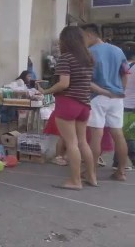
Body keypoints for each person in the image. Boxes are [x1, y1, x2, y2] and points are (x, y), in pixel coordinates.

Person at [38, 26, 97, 190]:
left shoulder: (66, 58)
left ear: (66, 40)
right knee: (83, 141)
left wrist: (46, 91)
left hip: (68, 103)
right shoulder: (88, 58)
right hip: (84, 104)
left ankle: (75, 181)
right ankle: (91, 177)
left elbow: (64, 83)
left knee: (71, 144)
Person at [81, 23, 130, 182]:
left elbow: (86, 80)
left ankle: (91, 172)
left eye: (82, 37)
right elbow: (125, 73)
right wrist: (120, 91)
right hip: (117, 98)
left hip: (97, 97)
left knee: (97, 135)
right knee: (118, 134)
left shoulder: (88, 53)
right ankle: (121, 172)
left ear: (89, 35)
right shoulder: (118, 50)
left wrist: (103, 92)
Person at [113, 47, 135, 171]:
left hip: (122, 103)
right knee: (129, 135)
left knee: (122, 134)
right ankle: (131, 159)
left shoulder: (123, 67)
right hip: (131, 106)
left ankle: (117, 161)